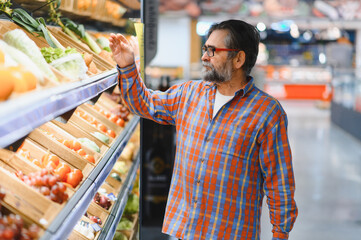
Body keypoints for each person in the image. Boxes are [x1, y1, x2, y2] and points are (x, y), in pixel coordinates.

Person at [109, 19, 298, 240]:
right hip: (184, 231)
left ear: (239, 58)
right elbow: (143, 103)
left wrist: (280, 232)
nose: (204, 56)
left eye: (212, 50)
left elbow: (279, 180)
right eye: (204, 48)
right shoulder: (190, 94)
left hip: (231, 233)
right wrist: (127, 66)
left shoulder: (267, 113)